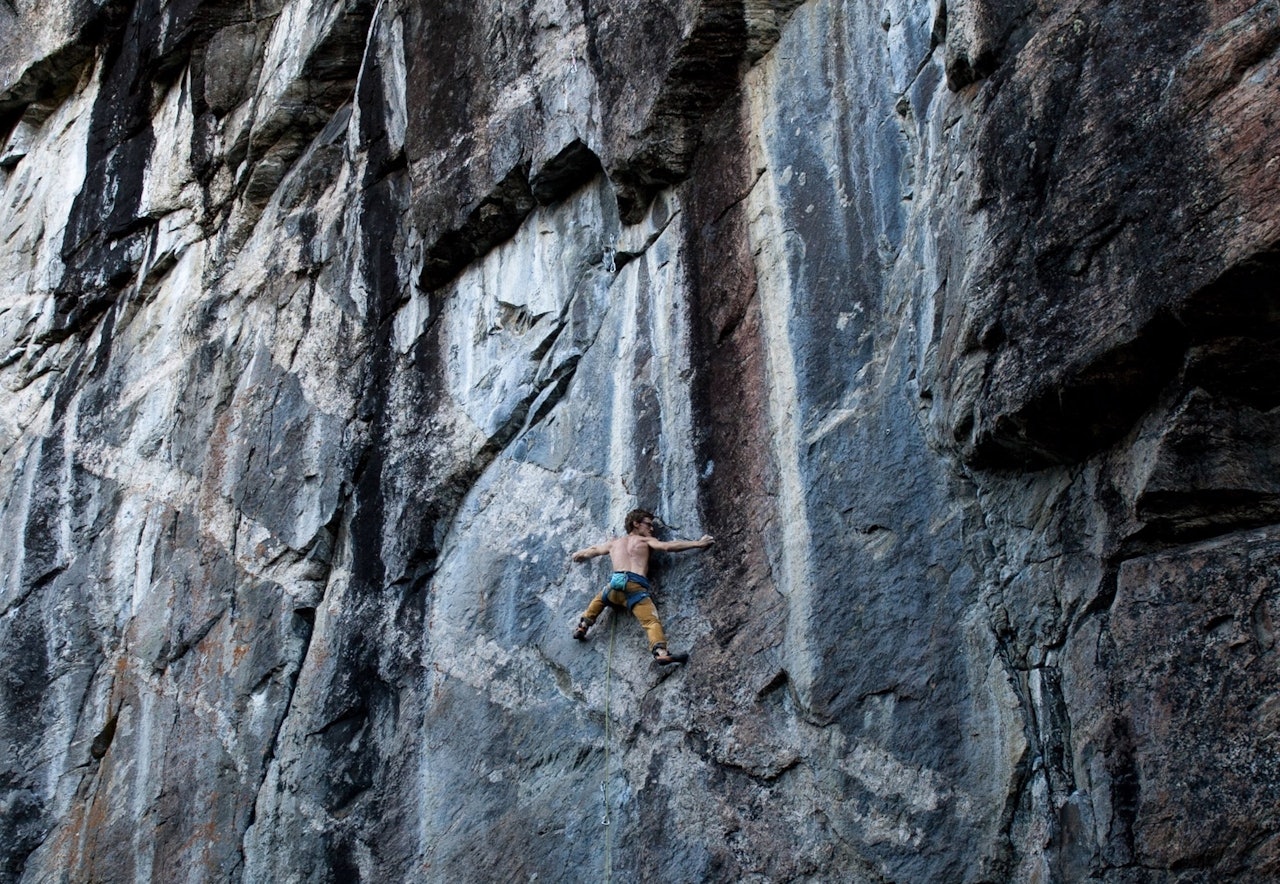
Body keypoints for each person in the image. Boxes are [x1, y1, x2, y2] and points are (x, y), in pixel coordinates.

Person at [570, 508, 713, 665]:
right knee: (651, 622)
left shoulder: (614, 543)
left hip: (614, 587)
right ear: (636, 523)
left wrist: (579, 554)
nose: (651, 529)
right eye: (648, 525)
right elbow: (668, 547)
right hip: (634, 589)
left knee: (600, 599)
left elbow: (595, 550)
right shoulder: (645, 541)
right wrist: (698, 543)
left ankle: (583, 625)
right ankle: (661, 652)